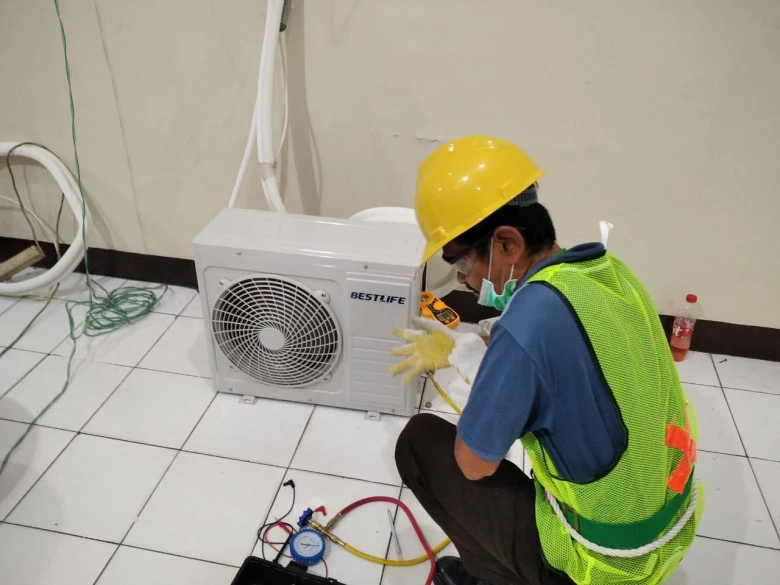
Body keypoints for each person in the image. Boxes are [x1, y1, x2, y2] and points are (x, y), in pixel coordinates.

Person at [389, 136, 704, 585]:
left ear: (508, 243)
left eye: (462, 265)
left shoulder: (525, 330)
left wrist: (477, 363)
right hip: (662, 524)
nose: (466, 282)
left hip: (599, 562)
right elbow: (566, 346)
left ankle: (496, 576)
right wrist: (477, 349)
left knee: (418, 442)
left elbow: (474, 463)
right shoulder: (608, 272)